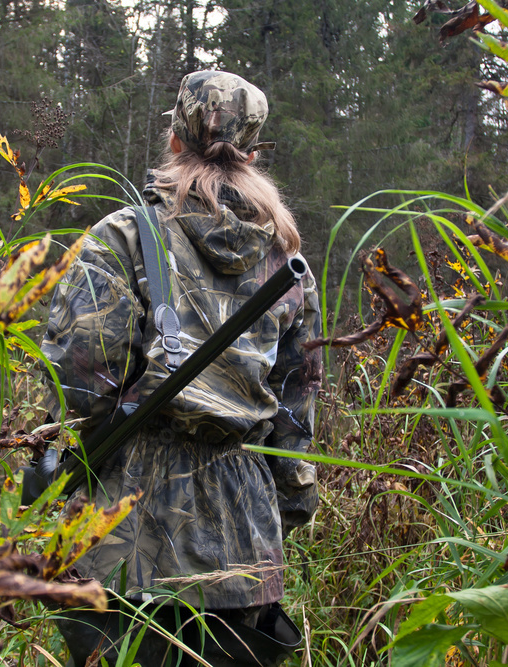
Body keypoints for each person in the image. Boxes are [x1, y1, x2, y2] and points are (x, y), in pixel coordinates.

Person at [39, 70, 323, 667]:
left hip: (120, 535)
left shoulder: (120, 237)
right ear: (251, 152)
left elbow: (79, 386)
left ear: (173, 139)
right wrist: (285, 511)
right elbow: (294, 420)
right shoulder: (287, 266)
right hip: (244, 538)